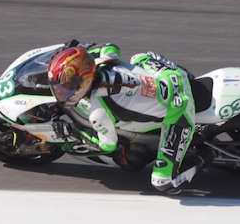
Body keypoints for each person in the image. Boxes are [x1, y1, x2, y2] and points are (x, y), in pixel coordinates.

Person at [47, 39, 212, 193]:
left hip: (178, 105)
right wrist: (77, 51)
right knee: (139, 57)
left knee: (162, 182)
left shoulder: (98, 112)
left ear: (83, 81)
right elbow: (111, 46)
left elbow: (108, 146)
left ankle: (202, 158)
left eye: (67, 88)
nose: (62, 93)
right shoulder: (103, 58)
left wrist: (76, 133)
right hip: (168, 75)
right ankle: (187, 78)